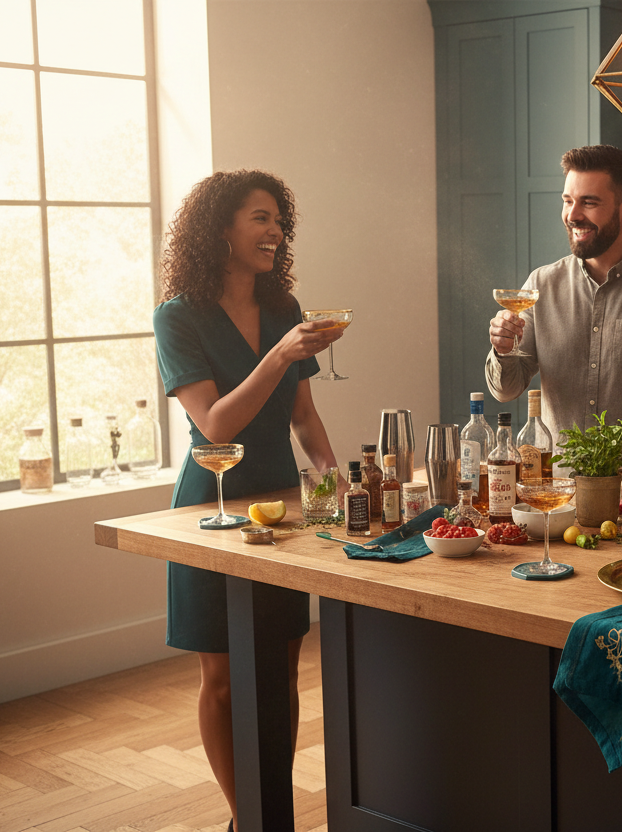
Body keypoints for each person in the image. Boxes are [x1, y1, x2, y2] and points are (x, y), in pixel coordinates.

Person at [153, 169, 343, 829]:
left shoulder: (284, 309)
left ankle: (273, 814)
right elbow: (216, 426)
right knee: (226, 679)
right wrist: (277, 356)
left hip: (283, 507)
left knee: (281, 672)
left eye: (278, 220)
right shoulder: (177, 316)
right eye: (260, 218)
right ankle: (248, 820)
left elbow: (302, 416)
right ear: (221, 229)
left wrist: (328, 473)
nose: (275, 231)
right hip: (213, 506)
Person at [485, 145, 622, 488]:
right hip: (555, 493)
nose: (573, 214)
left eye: (589, 202)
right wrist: (503, 348)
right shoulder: (541, 284)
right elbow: (507, 389)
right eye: (568, 201)